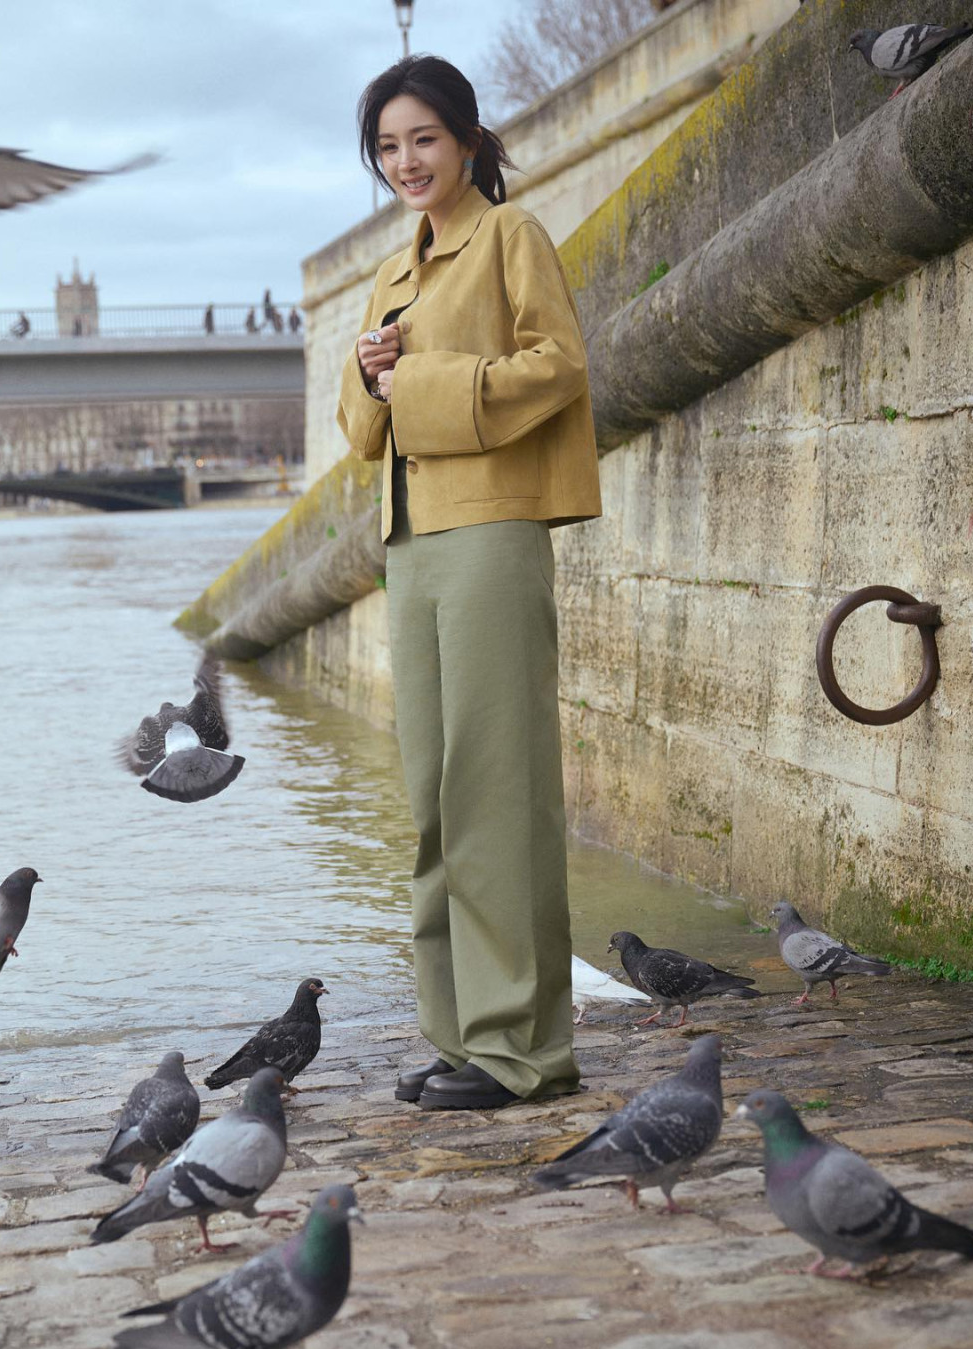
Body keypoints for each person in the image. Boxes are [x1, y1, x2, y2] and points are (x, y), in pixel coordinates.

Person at [336, 55, 601, 1112]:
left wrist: (422, 384)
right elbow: (366, 433)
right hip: (410, 542)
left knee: (499, 789)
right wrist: (367, 377)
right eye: (387, 147)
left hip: (489, 531)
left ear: (464, 140)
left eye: (422, 140)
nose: (406, 162)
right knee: (435, 798)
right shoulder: (394, 272)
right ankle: (459, 1035)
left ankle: (522, 1051)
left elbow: (560, 366)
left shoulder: (508, 238)